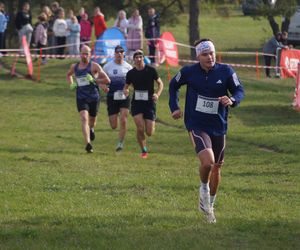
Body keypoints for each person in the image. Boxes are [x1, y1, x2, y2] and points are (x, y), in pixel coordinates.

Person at [168, 39, 245, 223]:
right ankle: (203, 187)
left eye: (211, 53)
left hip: (218, 125)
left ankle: (209, 207)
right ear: (198, 56)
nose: (209, 57)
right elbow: (173, 85)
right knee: (208, 162)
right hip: (197, 124)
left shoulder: (226, 71)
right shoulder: (188, 72)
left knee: (217, 167)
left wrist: (232, 100)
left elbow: (239, 89)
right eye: (205, 54)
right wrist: (174, 107)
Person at [66, 45, 110, 153]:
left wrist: (94, 80)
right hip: (81, 97)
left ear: (90, 55)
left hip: (94, 97)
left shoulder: (94, 66)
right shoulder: (74, 67)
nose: (84, 55)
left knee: (92, 121)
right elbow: (68, 75)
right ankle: (88, 144)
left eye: (87, 53)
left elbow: (107, 80)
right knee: (84, 118)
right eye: (83, 53)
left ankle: (91, 129)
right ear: (80, 53)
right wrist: (71, 84)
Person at [124, 50, 163, 158]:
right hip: (137, 103)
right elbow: (126, 86)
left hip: (149, 103)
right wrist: (126, 91)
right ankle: (144, 150)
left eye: (140, 57)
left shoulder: (151, 70)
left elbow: (160, 84)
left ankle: (145, 135)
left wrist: (157, 94)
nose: (138, 59)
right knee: (140, 128)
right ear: (134, 59)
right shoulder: (131, 73)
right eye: (136, 57)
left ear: (143, 58)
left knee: (149, 132)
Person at [103, 45, 133, 151]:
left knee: (124, 119)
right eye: (117, 52)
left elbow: (133, 82)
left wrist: (128, 88)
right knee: (114, 125)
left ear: (124, 54)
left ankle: (120, 143)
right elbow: (101, 80)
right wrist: (104, 87)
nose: (119, 54)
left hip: (124, 96)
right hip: (112, 97)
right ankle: (113, 119)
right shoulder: (107, 67)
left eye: (121, 52)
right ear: (114, 54)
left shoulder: (129, 67)